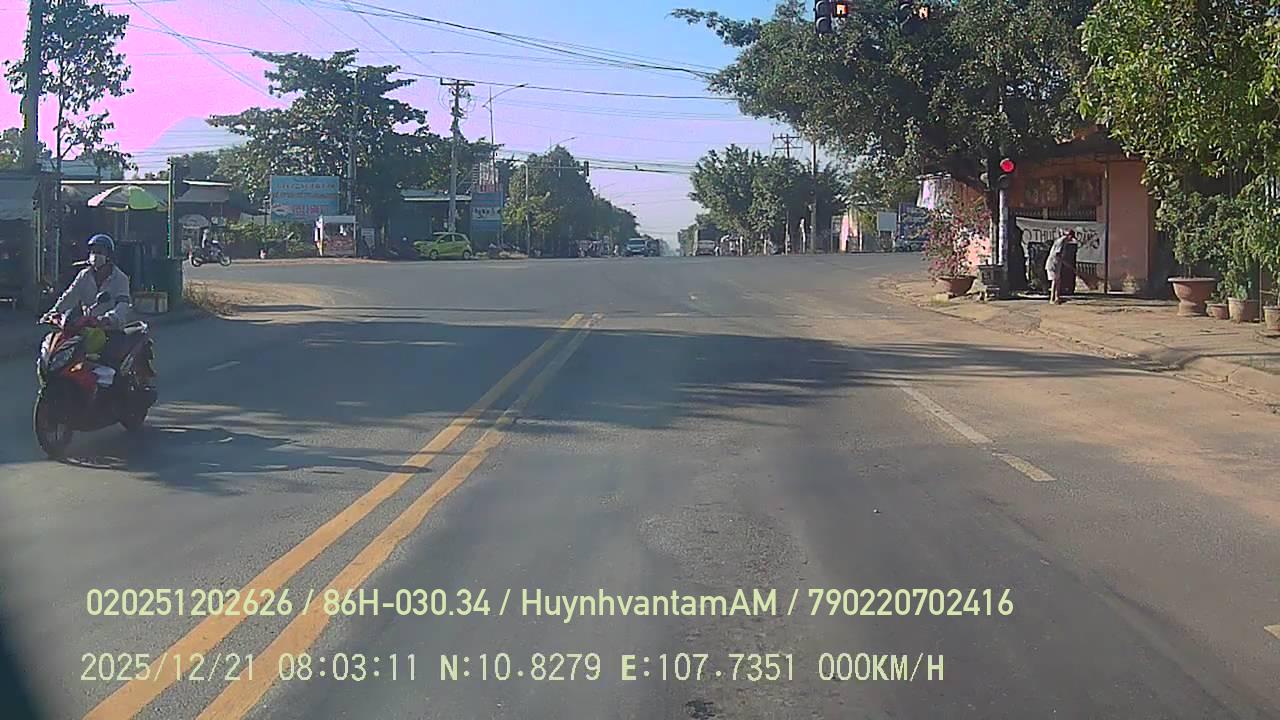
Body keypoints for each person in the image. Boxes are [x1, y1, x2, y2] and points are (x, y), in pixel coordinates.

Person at [45, 234, 135, 371]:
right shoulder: (84, 275)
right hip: (87, 328)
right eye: (93, 252)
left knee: (111, 367)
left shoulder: (120, 278)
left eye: (99, 252)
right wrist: (54, 312)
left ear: (108, 255)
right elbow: (70, 296)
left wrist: (109, 318)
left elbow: (123, 304)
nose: (95, 255)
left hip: (110, 330)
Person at [1046, 230, 1075, 304]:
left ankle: (1057, 298)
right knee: (1055, 280)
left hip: (1057, 263)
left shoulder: (1063, 241)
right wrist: (1064, 262)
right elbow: (1057, 254)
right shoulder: (1061, 241)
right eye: (1071, 238)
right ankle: (1052, 299)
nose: (1071, 240)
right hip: (1053, 263)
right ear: (1069, 236)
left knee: (1058, 280)